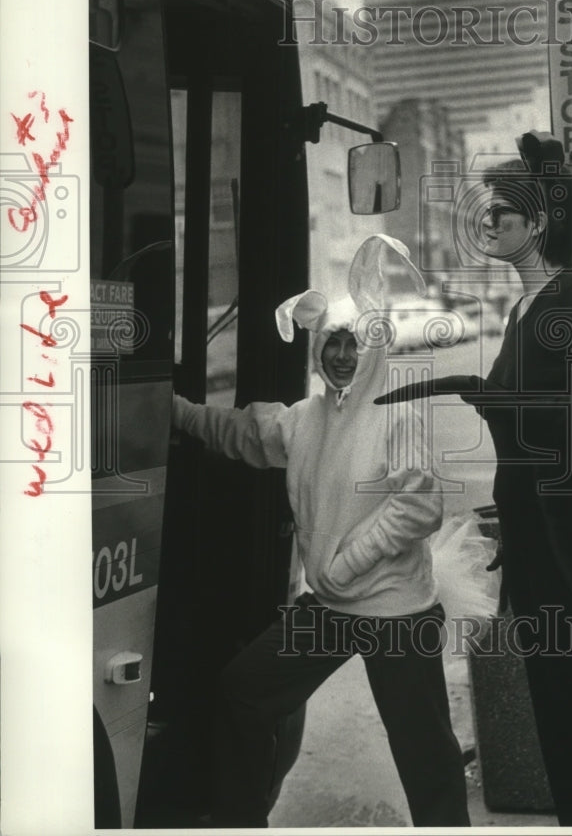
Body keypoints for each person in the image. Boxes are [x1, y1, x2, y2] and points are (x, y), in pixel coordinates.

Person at [376, 134, 572, 826]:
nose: (488, 224)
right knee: (558, 716)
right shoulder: (522, 312)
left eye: (502, 216)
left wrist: (524, 411)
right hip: (539, 541)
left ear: (539, 224)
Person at [170, 234, 470, 828]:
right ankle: (238, 819)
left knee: (426, 758)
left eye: (353, 344)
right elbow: (243, 434)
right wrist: (171, 410)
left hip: (396, 615)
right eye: (331, 342)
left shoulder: (399, 414)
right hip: (331, 608)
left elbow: (418, 509)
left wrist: (343, 565)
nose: (340, 355)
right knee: (245, 689)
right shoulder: (307, 418)